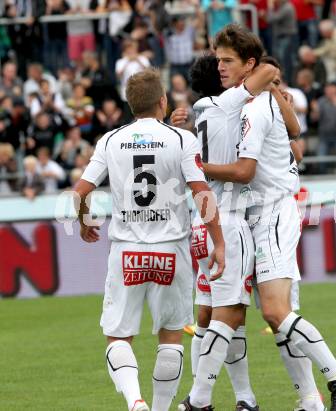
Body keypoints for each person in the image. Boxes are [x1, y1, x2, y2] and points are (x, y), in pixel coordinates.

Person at [202, 58, 336, 411]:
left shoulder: (259, 106)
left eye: (228, 60)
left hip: (272, 213)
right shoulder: (261, 103)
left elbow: (255, 165)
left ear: (249, 67)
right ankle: (310, 400)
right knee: (277, 318)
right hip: (259, 216)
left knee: (276, 313)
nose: (222, 68)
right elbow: (295, 137)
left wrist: (197, 168)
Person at [74, 68, 225, 411]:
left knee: (117, 336)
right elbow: (202, 193)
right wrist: (219, 242)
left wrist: (84, 222)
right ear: (163, 101)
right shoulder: (181, 139)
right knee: (171, 338)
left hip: (126, 250)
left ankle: (135, 402)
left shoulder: (110, 140)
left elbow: (80, 191)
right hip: (171, 250)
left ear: (130, 105)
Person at [173, 25, 279, 411]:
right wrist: (258, 72)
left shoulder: (200, 112)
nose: (222, 67)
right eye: (219, 63)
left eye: (226, 61)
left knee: (209, 315)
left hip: (199, 224)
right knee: (230, 314)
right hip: (228, 221)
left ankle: (244, 398)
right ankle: (198, 400)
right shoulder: (227, 104)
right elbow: (267, 70)